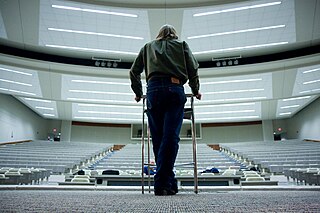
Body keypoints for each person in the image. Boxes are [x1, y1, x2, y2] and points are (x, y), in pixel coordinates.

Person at [130, 24, 201, 196]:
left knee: (159, 139)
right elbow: (193, 69)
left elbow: (134, 71)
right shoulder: (182, 45)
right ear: (174, 35)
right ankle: (162, 181)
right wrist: (196, 89)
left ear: (159, 34)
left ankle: (168, 182)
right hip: (174, 88)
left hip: (153, 90)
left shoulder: (147, 47)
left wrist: (138, 93)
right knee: (170, 137)